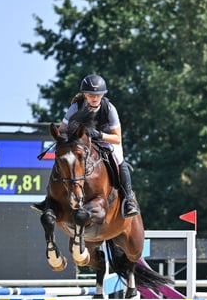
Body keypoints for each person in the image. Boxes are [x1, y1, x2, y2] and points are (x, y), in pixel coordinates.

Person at [32, 74, 140, 218]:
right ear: (84, 94)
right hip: (81, 142)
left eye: (98, 95)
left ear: (103, 94)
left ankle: (128, 200)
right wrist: (64, 139)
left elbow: (117, 138)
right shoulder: (75, 107)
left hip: (106, 141)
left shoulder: (109, 108)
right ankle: (49, 199)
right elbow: (63, 130)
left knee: (119, 160)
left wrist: (98, 134)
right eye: (90, 95)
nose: (94, 98)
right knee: (63, 160)